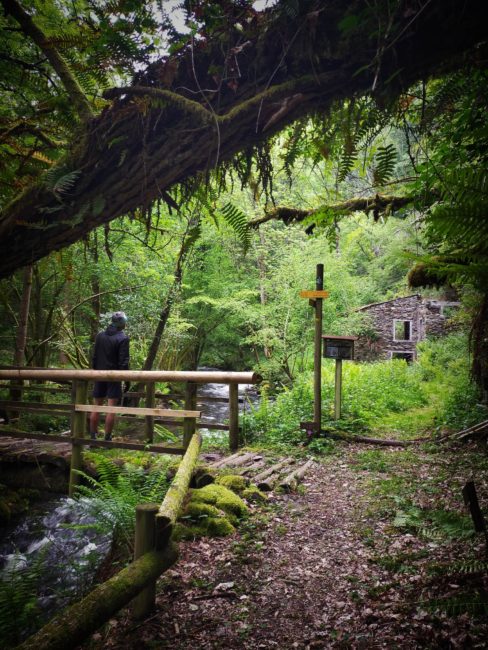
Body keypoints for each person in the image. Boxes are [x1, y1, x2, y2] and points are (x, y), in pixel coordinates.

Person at [90, 311, 130, 441]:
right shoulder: (123, 338)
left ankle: (93, 438)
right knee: (111, 408)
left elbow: (95, 358)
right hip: (114, 376)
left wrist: (96, 371)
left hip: (99, 374)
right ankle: (107, 438)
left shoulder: (100, 336)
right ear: (122, 323)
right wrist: (126, 378)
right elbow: (123, 362)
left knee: (96, 406)